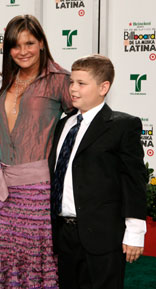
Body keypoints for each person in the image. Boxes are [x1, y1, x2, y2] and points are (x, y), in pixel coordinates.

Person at [0, 15, 73, 288]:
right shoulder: (4, 79)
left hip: (38, 190)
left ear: (41, 43)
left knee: (32, 259)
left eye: (30, 43)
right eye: (16, 45)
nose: (23, 51)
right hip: (2, 188)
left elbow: (82, 127)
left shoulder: (60, 80)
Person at [48, 54, 147, 289]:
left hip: (103, 237)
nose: (73, 89)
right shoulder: (64, 124)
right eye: (72, 82)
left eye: (81, 84)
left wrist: (135, 231)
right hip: (63, 236)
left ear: (104, 87)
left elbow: (133, 181)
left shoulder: (123, 126)